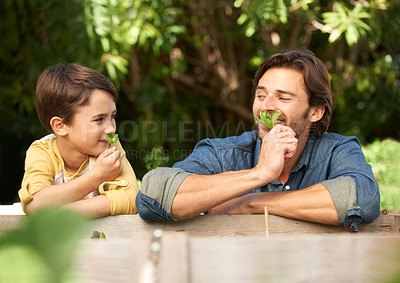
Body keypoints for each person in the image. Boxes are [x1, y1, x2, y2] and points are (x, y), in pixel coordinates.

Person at [136, 49, 380, 229]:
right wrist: (259, 173)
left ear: (315, 112)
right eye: (261, 95)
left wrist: (250, 202)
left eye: (283, 98)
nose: (266, 107)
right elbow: (154, 195)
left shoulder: (337, 150)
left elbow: (362, 198)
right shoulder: (222, 153)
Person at [19, 63, 139, 217]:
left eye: (112, 117)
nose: (111, 129)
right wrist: (97, 176)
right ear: (60, 126)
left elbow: (131, 198)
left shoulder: (109, 146)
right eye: (99, 119)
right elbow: (35, 205)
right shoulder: (42, 152)